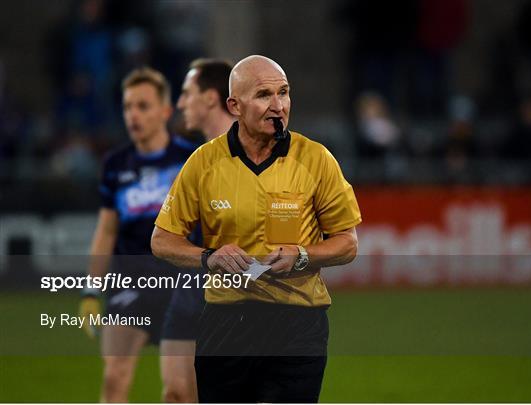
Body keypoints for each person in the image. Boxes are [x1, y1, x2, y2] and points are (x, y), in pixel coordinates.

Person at [151, 55, 361, 403]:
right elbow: (162, 240)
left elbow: (347, 244)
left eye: (284, 92)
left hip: (298, 322)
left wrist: (302, 255)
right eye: (264, 95)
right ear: (234, 105)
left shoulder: (316, 159)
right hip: (227, 322)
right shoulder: (204, 163)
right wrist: (209, 257)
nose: (278, 105)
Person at [78, 67, 200, 402]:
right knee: (115, 377)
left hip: (180, 284)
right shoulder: (115, 164)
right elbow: (107, 229)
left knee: (180, 391)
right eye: (128, 106)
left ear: (165, 110)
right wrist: (91, 290)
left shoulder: (191, 160)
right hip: (129, 283)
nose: (133, 114)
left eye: (143, 106)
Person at [159, 58, 234, 403]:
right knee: (176, 394)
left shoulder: (259, 155)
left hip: (237, 300)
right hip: (189, 290)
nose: (180, 103)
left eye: (187, 93)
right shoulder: (193, 163)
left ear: (209, 98)